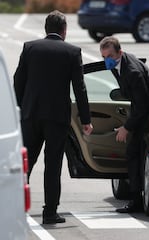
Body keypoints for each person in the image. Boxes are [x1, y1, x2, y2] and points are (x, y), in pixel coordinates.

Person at [14, 10, 93, 224]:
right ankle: (50, 212)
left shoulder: (30, 48)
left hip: (31, 115)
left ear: (46, 28)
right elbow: (80, 88)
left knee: (26, 164)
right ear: (64, 30)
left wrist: (20, 109)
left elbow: (18, 81)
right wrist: (86, 120)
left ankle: (17, 209)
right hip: (57, 118)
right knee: (53, 165)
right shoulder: (72, 52)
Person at [99, 36, 149, 213]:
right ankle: (137, 195)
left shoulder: (132, 71)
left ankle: (135, 200)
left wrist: (127, 127)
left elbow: (143, 104)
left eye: (110, 56)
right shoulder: (118, 64)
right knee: (134, 152)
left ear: (119, 53)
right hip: (142, 107)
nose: (107, 61)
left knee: (133, 152)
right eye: (104, 57)